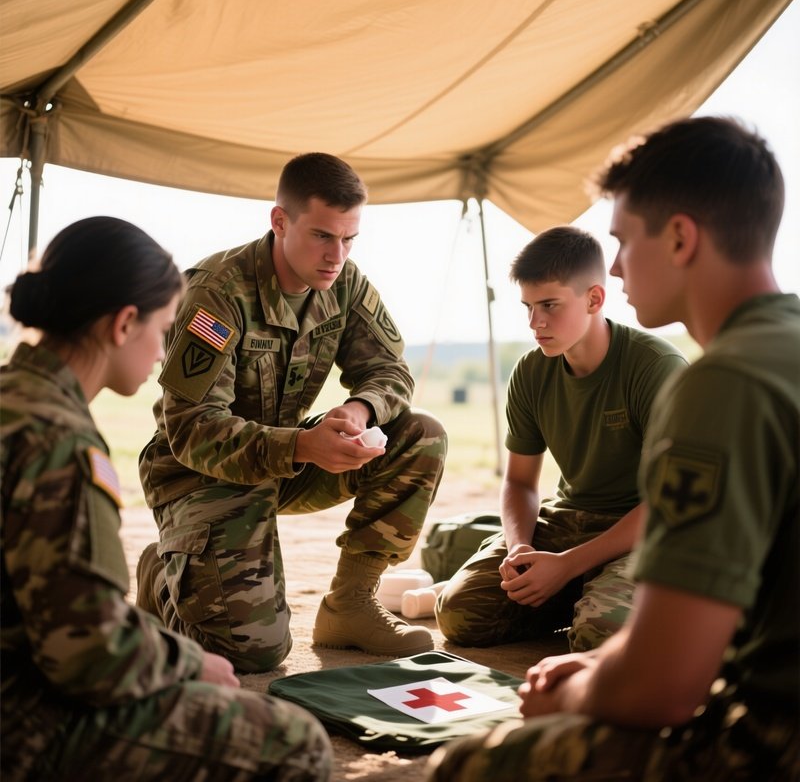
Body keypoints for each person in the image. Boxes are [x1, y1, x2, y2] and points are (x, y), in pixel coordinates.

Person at [426, 115, 799, 781]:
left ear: (681, 237)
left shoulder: (719, 383)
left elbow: (662, 688)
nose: (619, 265)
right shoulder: (781, 349)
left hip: (776, 741)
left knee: (465, 766)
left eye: (625, 241)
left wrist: (566, 693)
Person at [0, 217, 332, 780]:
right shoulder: (59, 442)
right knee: (295, 742)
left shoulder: (16, 399)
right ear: (123, 324)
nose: (162, 355)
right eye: (163, 328)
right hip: (19, 725)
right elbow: (89, 655)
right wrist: (188, 663)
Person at [137, 152, 448, 673]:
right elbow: (192, 430)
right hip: (197, 474)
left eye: (350, 239)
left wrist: (359, 408)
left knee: (421, 435)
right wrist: (304, 445)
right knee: (252, 651)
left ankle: (349, 603)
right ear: (280, 221)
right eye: (323, 236)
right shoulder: (217, 294)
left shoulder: (345, 284)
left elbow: (393, 372)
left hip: (288, 462)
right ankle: (160, 578)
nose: (338, 255)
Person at [435, 225, 686, 651]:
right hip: (568, 520)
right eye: (528, 307)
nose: (536, 323)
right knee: (459, 615)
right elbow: (518, 482)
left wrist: (566, 567)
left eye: (549, 305)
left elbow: (666, 503)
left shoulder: (655, 366)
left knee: (599, 637)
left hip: (646, 530)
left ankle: (598, 596)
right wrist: (521, 553)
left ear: (594, 298)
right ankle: (583, 592)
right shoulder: (531, 372)